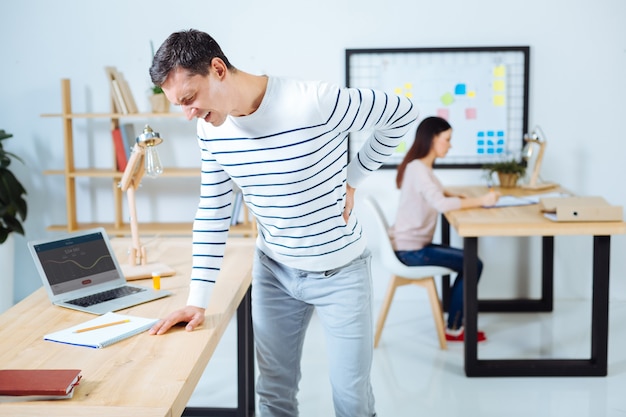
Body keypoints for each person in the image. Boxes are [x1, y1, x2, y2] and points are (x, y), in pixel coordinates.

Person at [147, 29, 419, 417]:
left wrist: (354, 178)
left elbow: (402, 113)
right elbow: (213, 210)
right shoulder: (210, 130)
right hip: (275, 271)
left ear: (218, 69)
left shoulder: (313, 102)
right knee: (273, 395)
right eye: (179, 105)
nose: (188, 113)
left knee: (351, 400)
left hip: (341, 273)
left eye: (189, 99)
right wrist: (197, 301)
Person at [389, 116, 499, 342]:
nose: (450, 145)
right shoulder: (418, 169)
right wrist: (483, 200)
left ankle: (455, 321)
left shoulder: (419, 168)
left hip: (411, 246)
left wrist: (452, 194)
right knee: (472, 263)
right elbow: (440, 204)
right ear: (432, 140)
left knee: (470, 262)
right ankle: (455, 327)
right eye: (447, 139)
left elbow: (435, 192)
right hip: (411, 251)